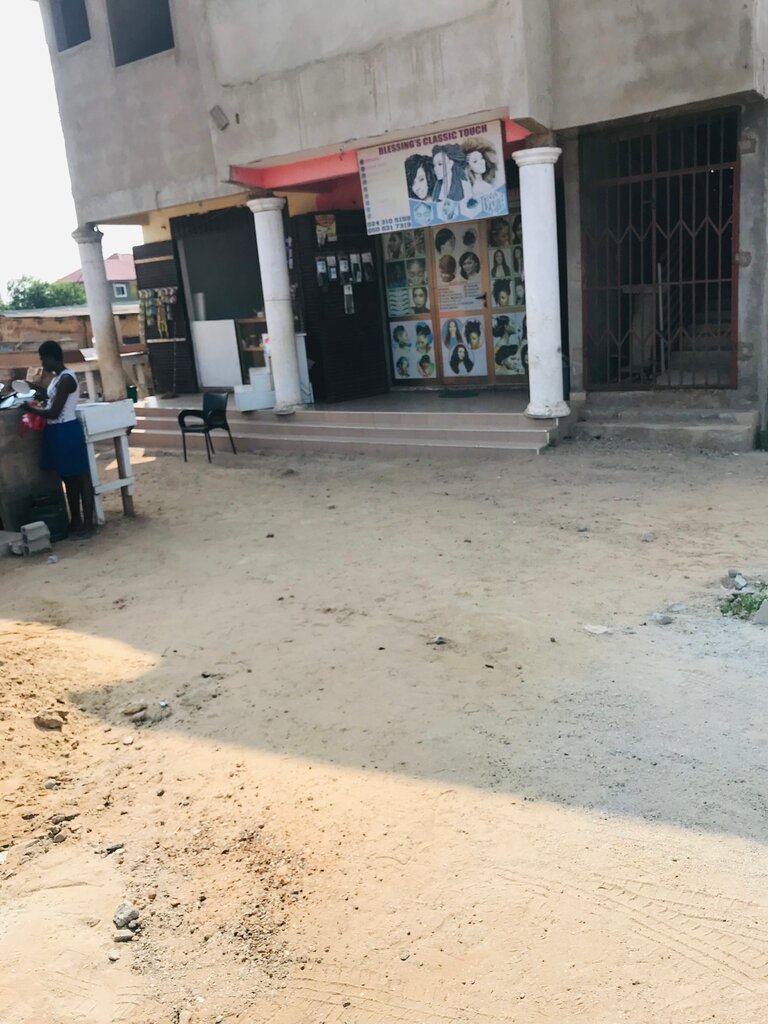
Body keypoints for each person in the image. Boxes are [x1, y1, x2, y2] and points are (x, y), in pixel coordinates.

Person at [23, 340, 94, 537]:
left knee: (81, 477)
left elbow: (54, 412)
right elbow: (52, 399)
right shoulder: (57, 379)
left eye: (43, 359)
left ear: (52, 357)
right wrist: (34, 392)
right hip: (57, 430)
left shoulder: (66, 379)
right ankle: (76, 520)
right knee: (68, 478)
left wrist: (30, 409)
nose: (42, 363)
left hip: (66, 429)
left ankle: (88, 523)